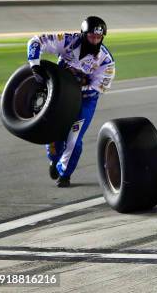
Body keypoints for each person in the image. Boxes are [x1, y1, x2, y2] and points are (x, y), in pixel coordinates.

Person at [27, 16, 115, 187]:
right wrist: (35, 65)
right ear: (83, 34)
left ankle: (65, 173)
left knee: (74, 138)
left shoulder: (106, 60)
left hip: (85, 101)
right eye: (91, 36)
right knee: (52, 133)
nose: (95, 40)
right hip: (60, 96)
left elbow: (100, 87)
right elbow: (36, 41)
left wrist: (76, 87)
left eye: (99, 37)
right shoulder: (67, 40)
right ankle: (53, 159)